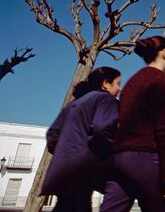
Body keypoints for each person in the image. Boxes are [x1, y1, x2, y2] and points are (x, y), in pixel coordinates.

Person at [100, 36, 165, 212]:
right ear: (164, 54)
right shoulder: (163, 79)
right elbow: (163, 127)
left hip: (119, 159)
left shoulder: (132, 82)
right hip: (145, 159)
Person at [41, 66, 121, 212]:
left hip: (63, 168)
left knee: (64, 206)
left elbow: (52, 135)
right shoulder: (106, 99)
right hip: (83, 169)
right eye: (117, 83)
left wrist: (65, 153)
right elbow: (102, 128)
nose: (119, 89)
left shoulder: (73, 104)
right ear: (105, 84)